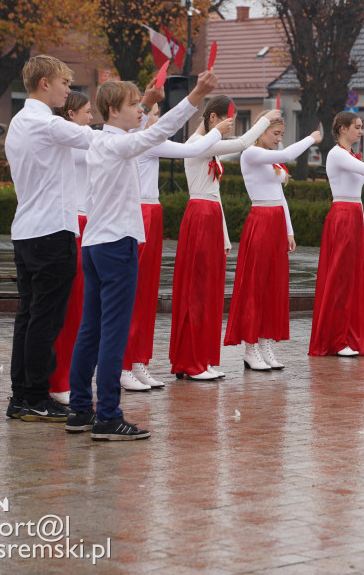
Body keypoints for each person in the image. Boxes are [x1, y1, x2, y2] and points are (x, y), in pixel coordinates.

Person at [65, 70, 217, 440]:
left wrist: (147, 98)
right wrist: (196, 94)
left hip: (94, 244)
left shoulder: (100, 141)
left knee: (90, 329)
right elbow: (160, 131)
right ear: (114, 110)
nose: (141, 110)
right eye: (134, 105)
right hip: (117, 244)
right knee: (113, 331)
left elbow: (148, 129)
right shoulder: (118, 144)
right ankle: (108, 416)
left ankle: (81, 409)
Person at [119, 93, 230, 391]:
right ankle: (123, 363)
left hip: (153, 213)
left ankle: (138, 361)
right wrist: (217, 130)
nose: (157, 120)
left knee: (147, 292)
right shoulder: (140, 140)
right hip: (137, 213)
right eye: (153, 114)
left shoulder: (149, 140)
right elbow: (187, 149)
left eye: (157, 114)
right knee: (133, 291)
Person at [5, 55, 93, 424]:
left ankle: (23, 397)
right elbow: (98, 139)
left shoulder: (18, 122)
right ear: (44, 83)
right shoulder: (47, 124)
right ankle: (36, 396)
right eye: (64, 83)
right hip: (51, 233)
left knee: (28, 316)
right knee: (44, 319)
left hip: (26, 232)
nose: (68, 90)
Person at [168, 102, 272, 379]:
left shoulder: (208, 146)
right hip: (201, 217)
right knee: (197, 291)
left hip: (211, 216)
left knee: (209, 292)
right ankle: (191, 362)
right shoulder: (198, 143)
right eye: (227, 121)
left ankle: (201, 359)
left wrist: (224, 234)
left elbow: (215, 194)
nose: (228, 128)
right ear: (212, 117)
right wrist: (265, 121)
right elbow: (241, 143)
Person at [223, 114, 322, 369]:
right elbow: (288, 154)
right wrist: (311, 138)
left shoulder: (270, 161)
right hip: (261, 221)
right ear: (261, 131)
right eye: (275, 134)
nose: (278, 140)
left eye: (280, 135)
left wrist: (289, 231)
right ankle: (250, 346)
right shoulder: (251, 154)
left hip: (276, 223)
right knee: (256, 286)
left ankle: (266, 342)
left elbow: (280, 197)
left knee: (274, 287)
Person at [309, 111, 364, 357]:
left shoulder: (348, 155)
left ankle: (346, 335)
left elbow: (357, 197)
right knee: (340, 280)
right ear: (343, 129)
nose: (361, 131)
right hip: (343, 217)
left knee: (351, 280)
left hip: (354, 216)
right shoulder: (337, 153)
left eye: (361, 127)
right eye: (357, 127)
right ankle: (336, 340)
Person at [47, 91, 94, 405]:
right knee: (70, 307)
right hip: (73, 224)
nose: (91, 117)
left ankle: (70, 377)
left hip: (88, 222)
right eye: (87, 112)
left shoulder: (83, 138)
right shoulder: (71, 143)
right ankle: (59, 379)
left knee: (82, 308)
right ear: (71, 114)